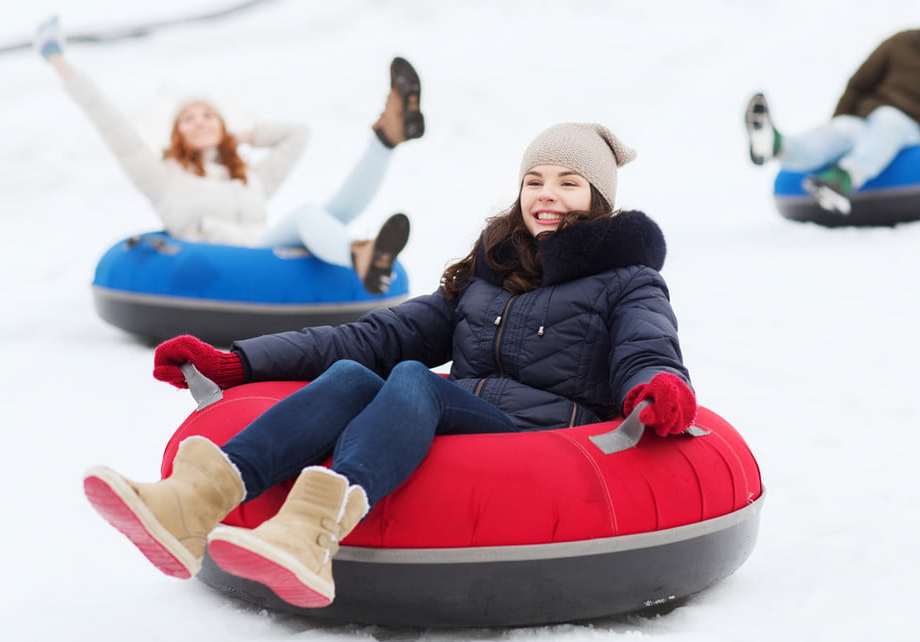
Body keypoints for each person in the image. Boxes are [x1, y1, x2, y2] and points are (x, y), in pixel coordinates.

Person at [83, 122, 698, 609]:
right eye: (535, 179)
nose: (547, 194)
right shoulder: (491, 275)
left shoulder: (627, 281)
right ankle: (192, 502)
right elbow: (381, 334)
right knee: (358, 374)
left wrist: (659, 386)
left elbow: (647, 349)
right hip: (470, 417)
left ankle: (312, 533)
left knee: (411, 379)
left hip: (544, 439)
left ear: (598, 198)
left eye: (568, 182)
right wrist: (238, 361)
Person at [33, 16, 423, 294]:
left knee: (332, 212)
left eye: (209, 116)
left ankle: (385, 138)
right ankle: (359, 254)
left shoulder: (246, 176)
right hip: (230, 262)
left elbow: (297, 136)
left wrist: (243, 136)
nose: (200, 121)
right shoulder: (161, 176)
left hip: (268, 249)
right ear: (176, 133)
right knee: (307, 215)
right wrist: (57, 58)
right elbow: (108, 120)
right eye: (189, 118)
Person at [745, 0, 920, 215]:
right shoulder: (902, 43)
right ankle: (777, 146)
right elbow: (859, 84)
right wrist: (843, 117)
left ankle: (843, 179)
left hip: (916, 130)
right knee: (840, 132)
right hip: (868, 118)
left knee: (890, 122)